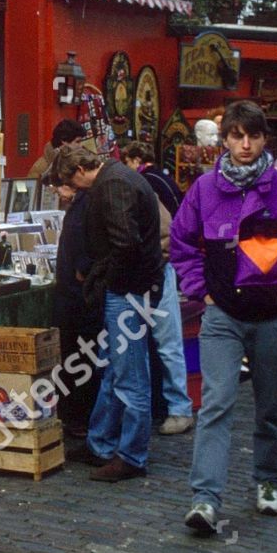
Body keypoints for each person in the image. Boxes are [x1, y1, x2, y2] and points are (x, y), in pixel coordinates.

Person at [171, 101, 277, 534]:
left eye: (253, 136)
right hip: (222, 315)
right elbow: (181, 243)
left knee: (271, 405)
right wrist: (200, 290)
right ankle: (205, 499)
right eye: (237, 135)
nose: (245, 144)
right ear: (224, 139)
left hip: (273, 317)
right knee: (216, 404)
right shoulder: (204, 189)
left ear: (264, 140)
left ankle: (269, 482)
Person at [54, 143, 164, 482]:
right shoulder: (116, 178)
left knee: (128, 376)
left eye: (69, 182)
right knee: (115, 370)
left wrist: (105, 280)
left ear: (78, 172)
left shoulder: (112, 185)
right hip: (129, 288)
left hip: (128, 290)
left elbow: (125, 245)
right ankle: (101, 443)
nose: (72, 190)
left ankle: (131, 455)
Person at [121, 142, 194, 435]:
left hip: (156, 276)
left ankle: (179, 408)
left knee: (167, 343)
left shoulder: (142, 190)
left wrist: (155, 262)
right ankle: (162, 407)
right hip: (140, 279)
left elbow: (169, 235)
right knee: (150, 346)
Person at [49, 175, 102, 445]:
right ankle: (80, 417)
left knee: (77, 358)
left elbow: (81, 257)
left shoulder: (81, 209)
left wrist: (81, 274)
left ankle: (78, 418)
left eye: (60, 186)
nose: (58, 192)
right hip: (79, 298)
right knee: (82, 358)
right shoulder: (85, 204)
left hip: (76, 299)